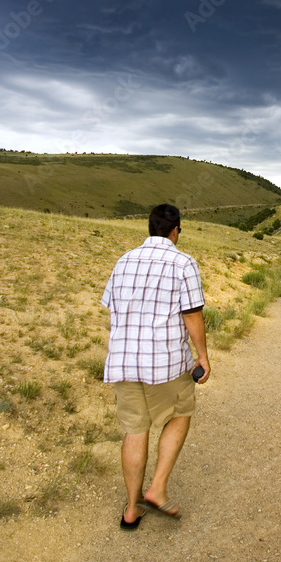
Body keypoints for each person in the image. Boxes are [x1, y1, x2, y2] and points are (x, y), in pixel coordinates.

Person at [101, 203, 210, 529]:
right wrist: (202, 356)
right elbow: (192, 315)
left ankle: (131, 509)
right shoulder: (184, 263)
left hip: (124, 362)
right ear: (175, 231)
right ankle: (157, 489)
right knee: (180, 413)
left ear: (150, 228)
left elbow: (111, 307)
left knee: (135, 430)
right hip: (166, 363)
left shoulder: (124, 261)